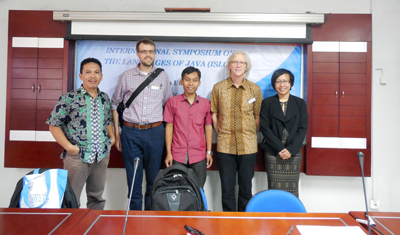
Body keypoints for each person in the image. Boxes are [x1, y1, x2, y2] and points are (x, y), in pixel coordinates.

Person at [111, 38, 172, 210]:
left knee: (154, 180)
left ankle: (151, 218)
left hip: (155, 133)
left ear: (154, 53)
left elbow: (167, 105)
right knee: (134, 179)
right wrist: (117, 133)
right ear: (137, 54)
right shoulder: (126, 76)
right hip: (131, 133)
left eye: (151, 51)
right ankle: (135, 220)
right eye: (144, 51)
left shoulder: (163, 76)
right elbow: (115, 105)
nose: (148, 55)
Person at [47, 57, 115, 210]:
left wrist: (112, 138)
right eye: (88, 72)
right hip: (78, 157)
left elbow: (108, 121)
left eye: (97, 72)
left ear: (101, 76)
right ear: (81, 76)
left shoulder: (104, 98)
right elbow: (53, 125)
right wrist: (70, 148)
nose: (93, 76)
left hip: (101, 155)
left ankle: (94, 228)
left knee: (97, 197)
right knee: (71, 197)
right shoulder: (69, 98)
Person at [210, 51, 263, 212]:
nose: (238, 65)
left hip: (248, 146)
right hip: (225, 146)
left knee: (246, 188)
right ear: (229, 65)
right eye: (235, 62)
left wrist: (250, 133)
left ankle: (244, 222)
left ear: (247, 67)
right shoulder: (219, 88)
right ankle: (228, 223)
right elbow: (214, 113)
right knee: (227, 189)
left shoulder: (254, 89)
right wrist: (221, 132)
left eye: (242, 62)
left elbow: (257, 115)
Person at [259, 68, 308, 198]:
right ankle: (274, 217)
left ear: (291, 83)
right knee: (274, 189)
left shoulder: (299, 103)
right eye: (278, 81)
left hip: (293, 152)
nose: (282, 85)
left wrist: (290, 150)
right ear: (274, 84)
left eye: (285, 81)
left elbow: (302, 128)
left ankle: (292, 217)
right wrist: (280, 148)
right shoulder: (267, 103)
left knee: (292, 190)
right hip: (273, 152)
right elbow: (264, 127)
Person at [163, 66, 213, 188]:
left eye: (195, 80)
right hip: (177, 155)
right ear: (181, 82)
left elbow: (208, 127)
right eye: (187, 79)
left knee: (198, 190)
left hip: (199, 155)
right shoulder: (172, 102)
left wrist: (209, 152)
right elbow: (169, 127)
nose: (191, 83)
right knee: (177, 191)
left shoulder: (205, 104)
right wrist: (169, 153)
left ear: (199, 83)